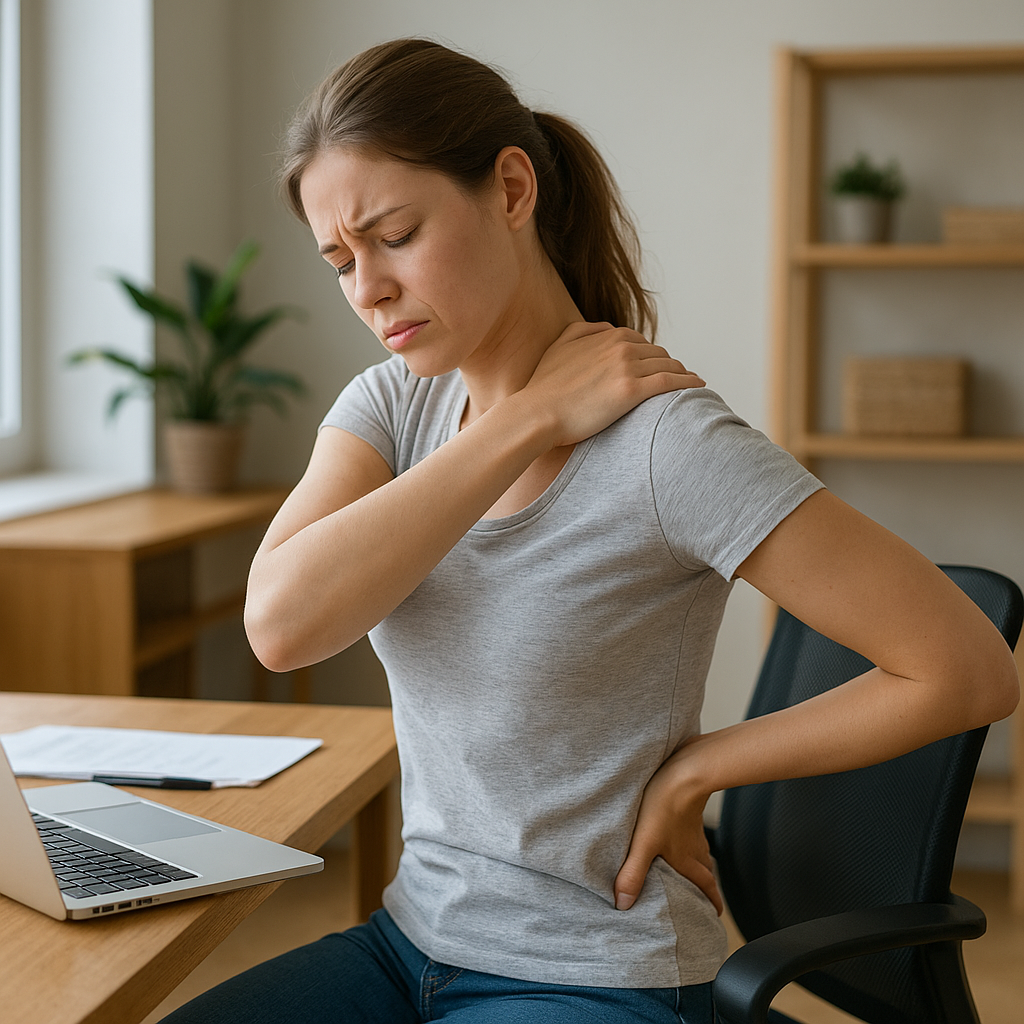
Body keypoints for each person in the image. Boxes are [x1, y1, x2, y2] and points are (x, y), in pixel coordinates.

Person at [163, 38, 1019, 1024]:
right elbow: (281, 627)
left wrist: (705, 763)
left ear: (512, 188)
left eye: (394, 234)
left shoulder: (665, 445)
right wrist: (527, 419)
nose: (368, 288)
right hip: (408, 946)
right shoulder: (394, 408)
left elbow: (964, 668)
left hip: (596, 969)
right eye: (341, 259)